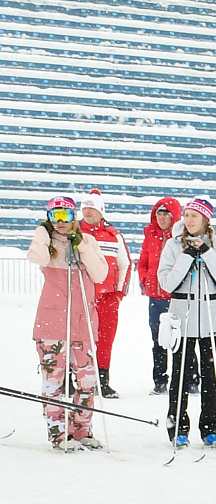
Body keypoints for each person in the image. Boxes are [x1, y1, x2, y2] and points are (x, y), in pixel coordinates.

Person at [154, 198, 216, 448]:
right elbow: (166, 283)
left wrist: (207, 253)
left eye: (194, 216)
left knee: (210, 375)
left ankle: (211, 428)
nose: (189, 220)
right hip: (183, 316)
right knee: (179, 375)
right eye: (186, 215)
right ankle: (178, 427)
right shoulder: (172, 245)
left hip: (212, 318)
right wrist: (188, 256)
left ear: (205, 219)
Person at [27, 196, 108, 450]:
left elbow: (101, 274)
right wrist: (42, 233)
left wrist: (81, 245)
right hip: (52, 323)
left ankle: (81, 428)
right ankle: (58, 432)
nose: (61, 222)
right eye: (55, 216)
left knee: (86, 380)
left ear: (74, 217)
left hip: (82, 323)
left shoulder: (88, 241)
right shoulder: (47, 243)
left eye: (66, 216)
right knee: (54, 381)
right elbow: (37, 258)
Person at [74, 192, 129, 398]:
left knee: (105, 341)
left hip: (107, 300)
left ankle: (102, 380)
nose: (87, 213)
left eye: (92, 209)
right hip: (80, 299)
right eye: (84, 209)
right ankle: (75, 380)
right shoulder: (75, 233)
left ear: (101, 211)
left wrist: (118, 295)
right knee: (78, 341)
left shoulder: (114, 235)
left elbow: (125, 266)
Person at [136, 197, 181, 395]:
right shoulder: (150, 236)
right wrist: (146, 280)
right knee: (158, 340)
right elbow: (143, 263)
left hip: (176, 297)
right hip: (155, 296)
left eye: (166, 214)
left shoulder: (179, 238)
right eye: (159, 214)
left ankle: (187, 380)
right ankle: (160, 380)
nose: (162, 218)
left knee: (181, 338)